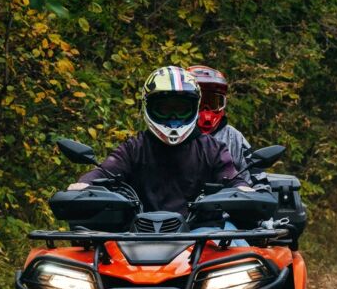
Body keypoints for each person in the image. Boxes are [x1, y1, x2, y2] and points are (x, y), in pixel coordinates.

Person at [68, 65, 248, 216]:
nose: (173, 117)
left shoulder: (213, 149)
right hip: (138, 235)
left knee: (239, 246)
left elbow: (231, 179)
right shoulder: (134, 148)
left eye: (181, 109)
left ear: (194, 107)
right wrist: (84, 185)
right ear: (148, 107)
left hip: (202, 237)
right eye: (165, 108)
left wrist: (245, 192)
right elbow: (105, 172)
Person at [187, 64, 255, 175]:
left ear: (223, 103)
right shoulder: (175, 136)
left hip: (228, 191)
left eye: (213, 102)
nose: (206, 109)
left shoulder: (233, 137)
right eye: (201, 103)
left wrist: (260, 190)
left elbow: (255, 177)